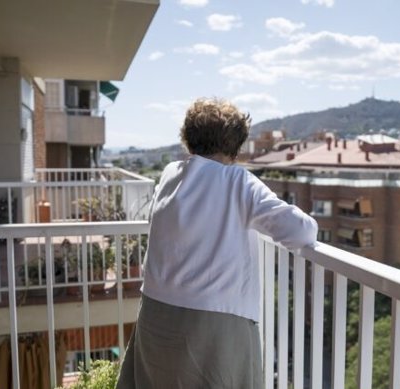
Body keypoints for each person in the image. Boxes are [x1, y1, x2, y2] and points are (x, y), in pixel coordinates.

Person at [116, 98, 318, 389]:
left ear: (189, 139)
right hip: (213, 325)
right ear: (235, 146)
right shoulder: (238, 181)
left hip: (156, 315)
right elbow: (300, 232)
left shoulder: (171, 174)